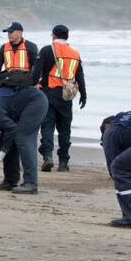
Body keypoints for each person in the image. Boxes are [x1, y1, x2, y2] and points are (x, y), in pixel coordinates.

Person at [36, 24, 87, 172]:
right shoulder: (75, 53)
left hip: (49, 93)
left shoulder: (47, 50)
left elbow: (36, 73)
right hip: (67, 96)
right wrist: (83, 95)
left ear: (53, 35)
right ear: (67, 36)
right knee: (65, 129)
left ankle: (47, 157)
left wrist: (32, 86)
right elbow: (79, 76)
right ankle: (63, 162)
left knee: (47, 126)